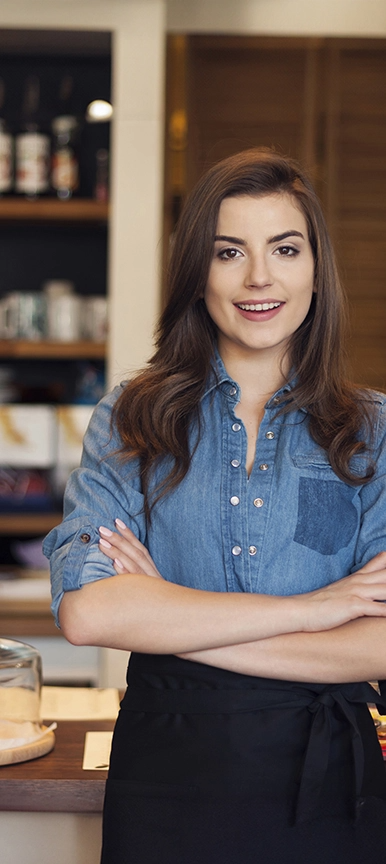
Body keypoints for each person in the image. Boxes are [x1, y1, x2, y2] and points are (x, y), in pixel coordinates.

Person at [44, 148, 386, 864]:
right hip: (165, 783)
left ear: (316, 269)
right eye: (229, 252)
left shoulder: (373, 432)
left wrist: (166, 614)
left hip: (328, 787)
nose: (259, 277)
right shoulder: (131, 417)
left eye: (285, 249)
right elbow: (89, 613)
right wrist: (316, 609)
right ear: (198, 273)